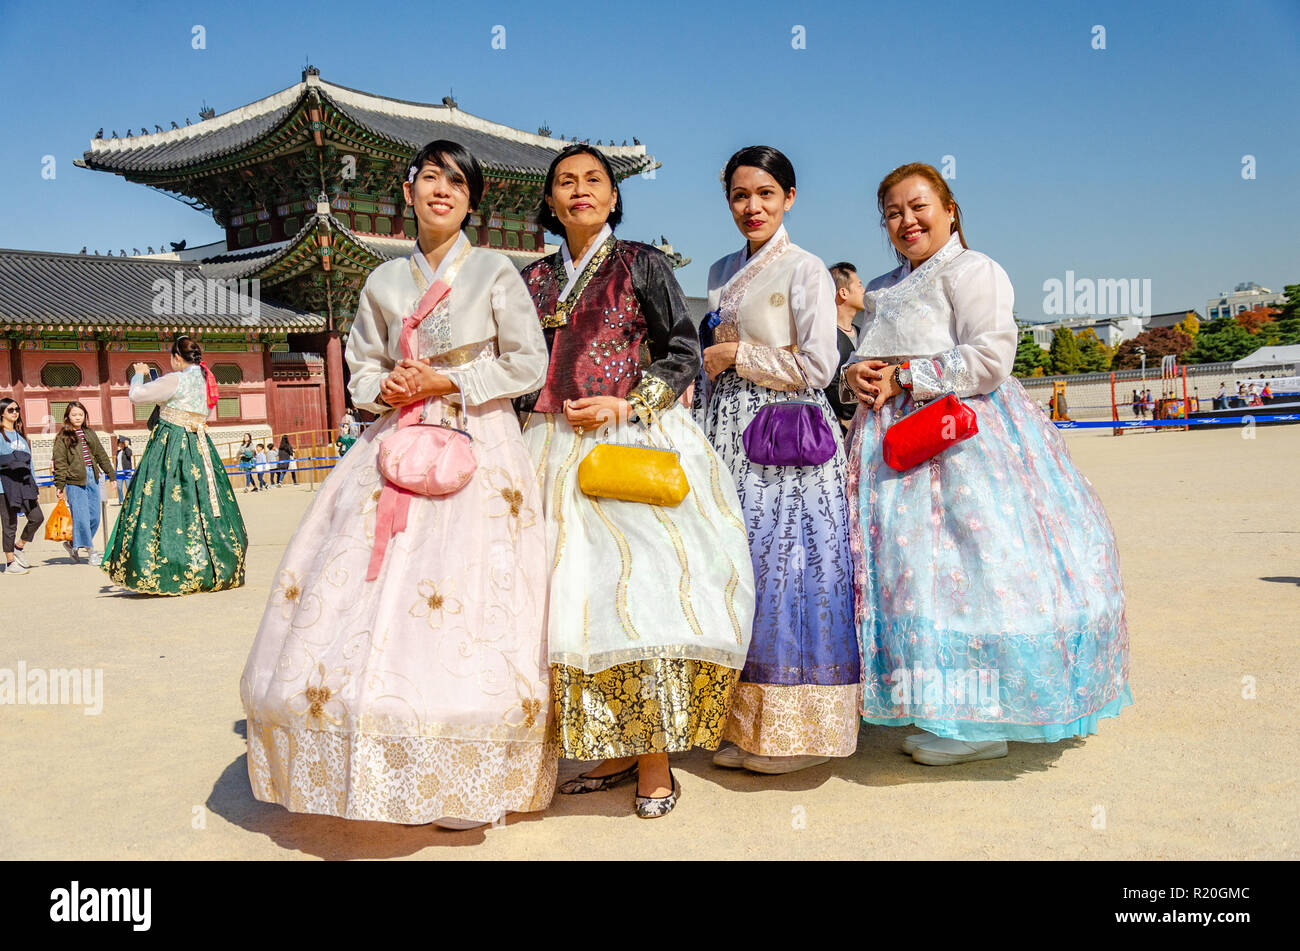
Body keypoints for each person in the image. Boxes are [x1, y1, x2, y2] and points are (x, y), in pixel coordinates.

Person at [242, 139, 556, 829]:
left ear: (473, 200)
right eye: (431, 178)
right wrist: (382, 385)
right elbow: (358, 367)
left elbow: (528, 363)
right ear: (408, 190)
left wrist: (448, 378)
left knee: (472, 590)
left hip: (479, 441)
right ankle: (381, 746)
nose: (443, 190)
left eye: (458, 182)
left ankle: (466, 760)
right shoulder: (384, 282)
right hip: (396, 440)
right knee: (371, 590)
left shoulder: (499, 271)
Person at [842, 162, 1131, 765]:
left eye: (918, 206)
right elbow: (871, 355)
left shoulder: (975, 269)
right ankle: (939, 705)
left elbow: (990, 356)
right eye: (892, 213)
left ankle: (981, 722)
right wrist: (860, 374)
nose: (906, 220)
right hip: (890, 445)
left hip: (957, 438)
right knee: (911, 571)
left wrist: (904, 375)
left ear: (950, 210)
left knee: (970, 567)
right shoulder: (882, 287)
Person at [517, 144, 755, 818]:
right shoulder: (531, 279)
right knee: (563, 605)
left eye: (595, 180)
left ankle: (655, 759)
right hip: (547, 446)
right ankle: (610, 746)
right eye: (566, 182)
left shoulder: (641, 263)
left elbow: (683, 348)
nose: (581, 190)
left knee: (638, 596)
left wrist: (629, 402)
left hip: (625, 440)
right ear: (551, 200)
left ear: (614, 198)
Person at [695, 145, 860, 774]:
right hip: (727, 430)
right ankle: (744, 724)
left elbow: (819, 365)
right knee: (737, 571)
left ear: (789, 197)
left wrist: (739, 357)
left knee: (789, 569)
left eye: (766, 193)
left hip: (786, 439)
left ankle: (798, 734)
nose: (752, 207)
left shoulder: (806, 269)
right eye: (740, 195)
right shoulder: (719, 269)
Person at [102, 337, 248, 595]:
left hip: (172, 444)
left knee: (165, 501)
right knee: (202, 501)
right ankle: (212, 564)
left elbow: (136, 396)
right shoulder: (206, 380)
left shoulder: (174, 379)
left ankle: (171, 565)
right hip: (200, 444)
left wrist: (137, 375)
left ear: (177, 358)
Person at [51, 401, 113, 565]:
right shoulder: (63, 436)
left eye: (80, 414)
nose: (77, 417)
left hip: (92, 477)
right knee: (81, 518)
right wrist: (60, 484)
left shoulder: (90, 433)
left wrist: (111, 475)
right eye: (74, 415)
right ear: (67, 417)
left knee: (94, 517)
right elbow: (60, 462)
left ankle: (72, 544)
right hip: (74, 481)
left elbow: (101, 454)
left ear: (85, 415)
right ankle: (92, 551)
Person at [0, 398, 43, 575]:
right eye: (10, 410)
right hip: (5, 485)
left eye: (17, 409)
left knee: (37, 517)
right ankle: (10, 562)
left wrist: (34, 484)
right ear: (2, 412)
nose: (15, 412)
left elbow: (29, 462)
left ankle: (19, 546)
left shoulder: (21, 436)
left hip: (24, 483)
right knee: (9, 523)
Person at [825, 262, 864, 431]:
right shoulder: (826, 336)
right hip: (838, 429)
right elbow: (830, 387)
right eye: (859, 285)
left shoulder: (864, 333)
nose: (864, 290)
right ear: (843, 292)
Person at [114, 436, 134, 504]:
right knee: (119, 488)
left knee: (128, 487)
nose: (120, 444)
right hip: (119, 472)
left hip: (126, 472)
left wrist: (126, 447)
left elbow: (129, 454)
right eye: (119, 443)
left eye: (122, 443)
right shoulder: (118, 452)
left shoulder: (127, 450)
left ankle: (129, 500)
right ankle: (121, 501)